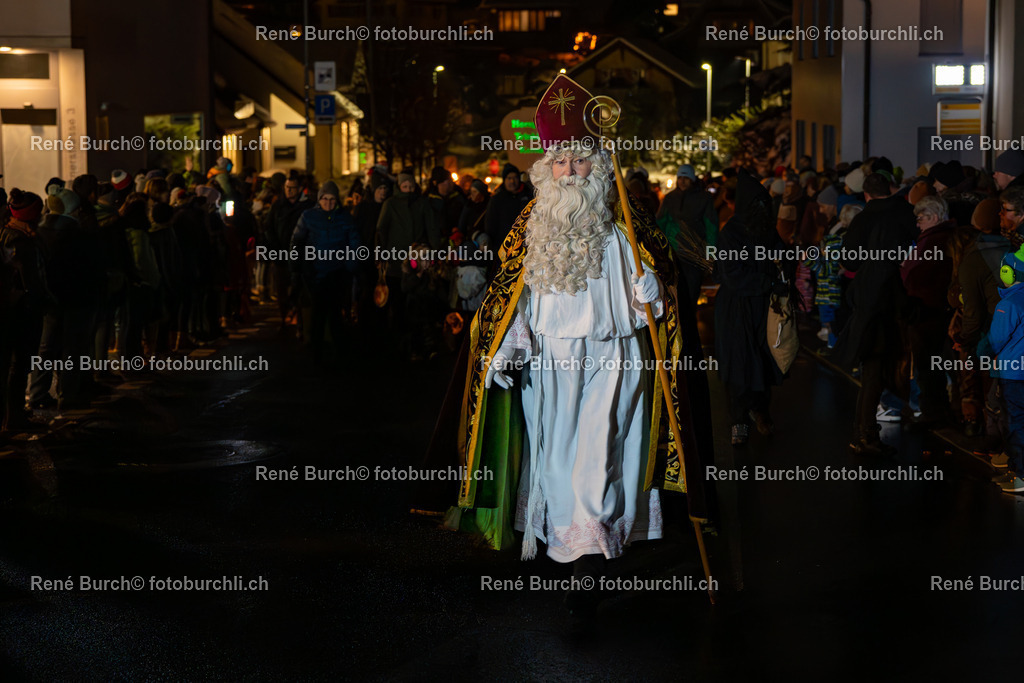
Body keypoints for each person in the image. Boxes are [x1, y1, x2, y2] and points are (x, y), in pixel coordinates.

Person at [454, 76, 705, 615]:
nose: (571, 172)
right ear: (547, 169)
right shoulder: (532, 226)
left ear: (599, 166)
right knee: (556, 457)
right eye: (561, 162)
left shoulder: (626, 228)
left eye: (581, 161)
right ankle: (567, 549)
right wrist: (508, 345)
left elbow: (664, 301)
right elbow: (512, 299)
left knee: (602, 451)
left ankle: (588, 563)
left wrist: (654, 292)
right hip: (550, 360)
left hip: (614, 355)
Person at [833, 172, 918, 455]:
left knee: (873, 368)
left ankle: (865, 431)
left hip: (873, 300)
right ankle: (868, 431)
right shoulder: (906, 213)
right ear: (891, 189)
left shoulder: (864, 219)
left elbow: (848, 259)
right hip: (902, 298)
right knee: (883, 367)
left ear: (866, 194)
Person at [714, 172, 790, 445]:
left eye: (764, 203)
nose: (761, 209)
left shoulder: (768, 231)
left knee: (763, 360)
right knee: (739, 365)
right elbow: (732, 274)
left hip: (763, 307)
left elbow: (782, 257)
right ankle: (738, 420)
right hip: (737, 309)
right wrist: (768, 281)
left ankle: (761, 410)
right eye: (756, 204)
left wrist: (783, 275)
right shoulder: (731, 234)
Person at [290, 180, 360, 365]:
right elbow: (297, 241)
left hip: (338, 272)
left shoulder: (345, 217)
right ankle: (317, 353)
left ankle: (339, 354)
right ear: (320, 199)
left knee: (336, 314)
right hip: (316, 272)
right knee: (318, 315)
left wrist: (350, 266)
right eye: (325, 199)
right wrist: (300, 267)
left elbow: (354, 243)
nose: (328, 203)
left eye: (332, 199)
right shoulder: (308, 216)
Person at [900, 195, 956, 424]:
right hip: (936, 311)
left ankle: (932, 413)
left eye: (920, 218)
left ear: (933, 217)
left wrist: (905, 270)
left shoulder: (934, 241)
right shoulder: (942, 237)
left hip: (927, 312)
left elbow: (918, 276)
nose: (917, 223)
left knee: (928, 365)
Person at [1, 190, 49, 434]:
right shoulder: (16, 238)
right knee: (19, 364)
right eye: (38, 210)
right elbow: (26, 277)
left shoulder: (25, 235)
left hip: (27, 306)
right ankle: (13, 418)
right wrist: (36, 298)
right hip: (22, 309)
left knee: (22, 363)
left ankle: (16, 414)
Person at [987, 244, 1024, 493]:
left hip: (1012, 372)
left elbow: (996, 339)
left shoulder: (1007, 304)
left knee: (1016, 422)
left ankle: (1020, 475)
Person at [484, 163, 532, 250]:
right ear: (504, 180)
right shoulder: (497, 199)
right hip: (504, 246)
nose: (512, 181)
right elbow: (490, 225)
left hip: (526, 244)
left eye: (515, 177)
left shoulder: (528, 196)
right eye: (509, 178)